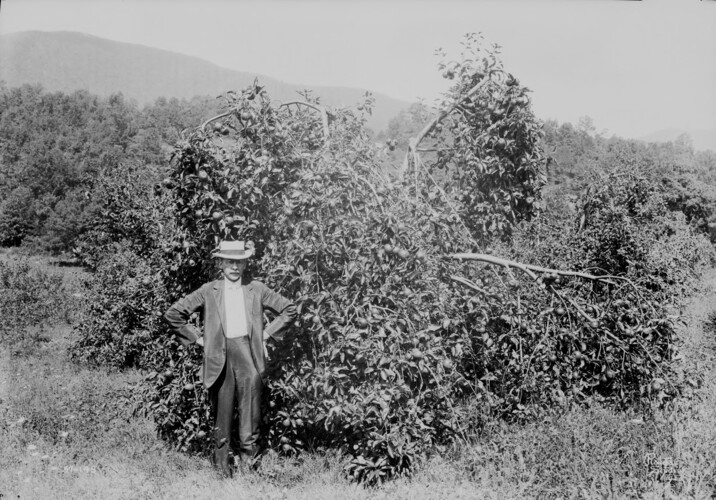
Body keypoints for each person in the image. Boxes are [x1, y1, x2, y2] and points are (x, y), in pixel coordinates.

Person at [164, 240, 296, 477]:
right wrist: (198, 339)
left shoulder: (257, 288)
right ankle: (221, 471)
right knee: (221, 416)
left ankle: (248, 470)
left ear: (245, 264)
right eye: (229, 261)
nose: (234, 267)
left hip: (249, 357)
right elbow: (174, 314)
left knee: (250, 415)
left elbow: (289, 310)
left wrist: (265, 335)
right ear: (220, 263)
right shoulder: (209, 290)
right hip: (220, 359)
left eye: (239, 262)